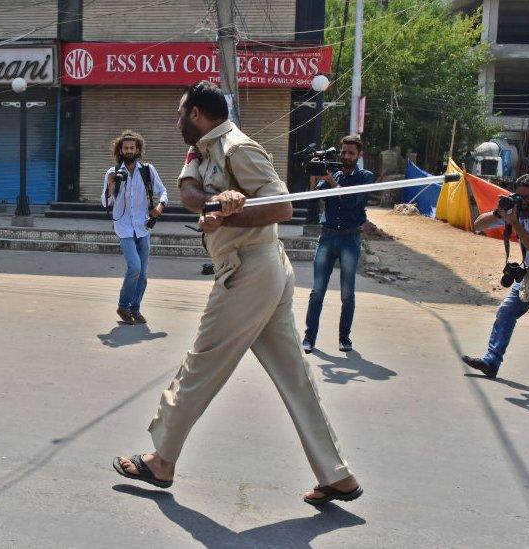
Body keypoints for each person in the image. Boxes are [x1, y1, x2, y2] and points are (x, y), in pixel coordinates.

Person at [112, 81, 362, 506]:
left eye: (179, 114)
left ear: (196, 114)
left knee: (202, 362)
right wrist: (216, 204)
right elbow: (190, 191)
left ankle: (161, 460)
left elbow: (282, 208)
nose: (175, 122)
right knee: (295, 378)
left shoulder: (237, 148)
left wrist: (238, 209)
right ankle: (336, 474)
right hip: (258, 270)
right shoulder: (203, 149)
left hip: (250, 269)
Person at [462, 173, 529, 378]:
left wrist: (515, 223)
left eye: (528, 198)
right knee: (506, 311)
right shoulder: (515, 209)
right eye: (519, 196)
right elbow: (478, 225)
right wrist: (499, 214)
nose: (523, 202)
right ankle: (491, 361)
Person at [302, 135, 374, 354]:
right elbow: (315, 197)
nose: (346, 156)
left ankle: (344, 338)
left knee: (347, 293)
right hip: (327, 237)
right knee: (317, 292)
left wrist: (332, 181)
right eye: (343, 152)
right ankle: (309, 338)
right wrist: (317, 171)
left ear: (358, 155)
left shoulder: (365, 176)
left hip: (350, 239)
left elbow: (352, 202)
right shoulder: (333, 174)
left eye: (351, 153)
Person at [101, 130, 168, 324]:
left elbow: (163, 191)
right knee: (134, 267)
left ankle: (134, 309)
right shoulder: (112, 172)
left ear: (138, 149)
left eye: (132, 148)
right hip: (123, 227)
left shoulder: (147, 170)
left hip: (143, 226)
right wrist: (111, 186)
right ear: (120, 150)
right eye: (125, 148)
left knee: (143, 273)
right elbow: (105, 204)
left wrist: (159, 207)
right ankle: (123, 306)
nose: (129, 151)